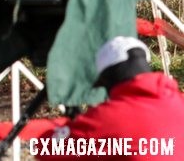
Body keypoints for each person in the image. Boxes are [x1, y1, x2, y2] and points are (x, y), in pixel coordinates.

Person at [30, 36, 184, 159]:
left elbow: (48, 149)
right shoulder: (180, 101)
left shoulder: (110, 117)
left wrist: (66, 128)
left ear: (107, 79)